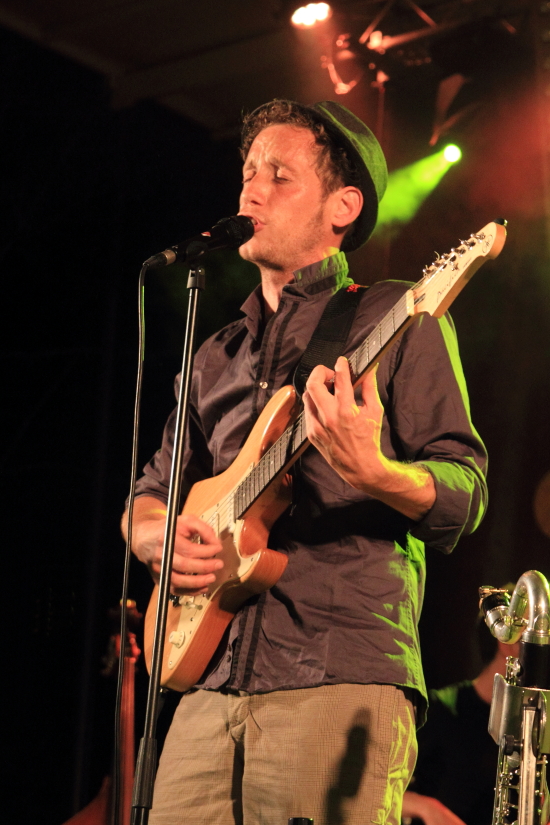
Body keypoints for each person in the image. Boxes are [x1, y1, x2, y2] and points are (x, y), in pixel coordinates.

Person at [122, 99, 488, 825]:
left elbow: (465, 489)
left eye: (279, 175)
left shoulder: (398, 318)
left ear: (342, 206)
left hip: (338, 672)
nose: (251, 191)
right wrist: (158, 537)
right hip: (204, 686)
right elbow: (149, 494)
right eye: (248, 172)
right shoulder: (215, 355)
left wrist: (376, 471)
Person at [402, 625, 519, 825]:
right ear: (506, 643)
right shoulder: (441, 710)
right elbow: (381, 790)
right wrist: (428, 808)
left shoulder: (533, 723)